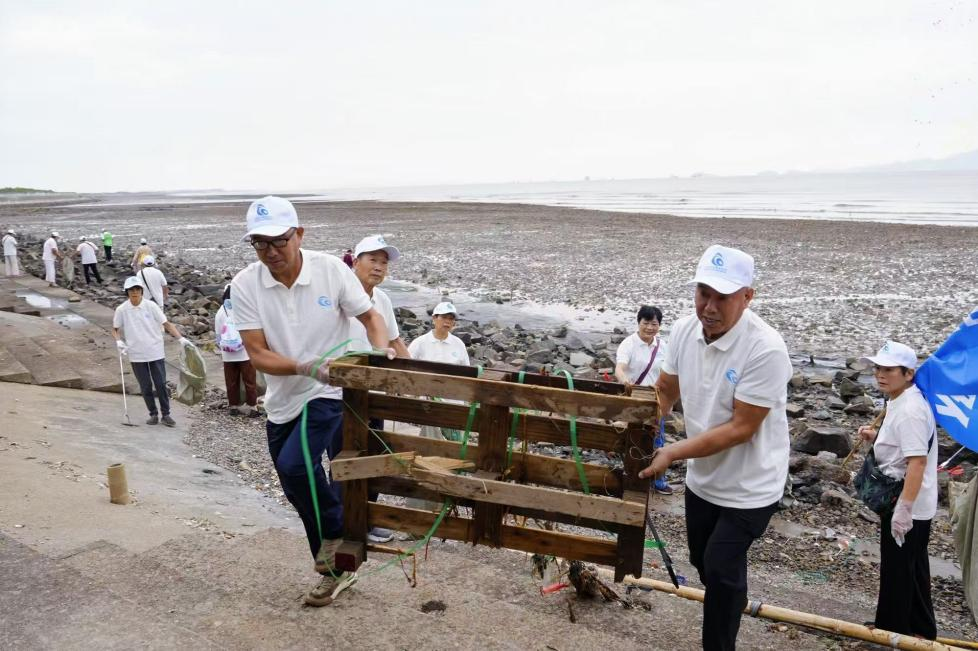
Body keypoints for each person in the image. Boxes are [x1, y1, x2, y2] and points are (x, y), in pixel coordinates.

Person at [231, 196, 392, 607]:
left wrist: (373, 357)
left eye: (279, 241)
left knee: (295, 465)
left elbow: (371, 317)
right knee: (295, 486)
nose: (270, 252)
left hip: (329, 390)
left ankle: (340, 530)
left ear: (299, 234)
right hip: (286, 394)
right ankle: (334, 567)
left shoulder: (331, 270)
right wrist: (306, 367)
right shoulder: (246, 283)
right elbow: (257, 353)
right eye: (259, 244)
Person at [638, 244, 792, 651]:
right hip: (704, 479)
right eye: (703, 292)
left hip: (751, 485)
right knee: (704, 563)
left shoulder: (766, 348)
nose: (709, 306)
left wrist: (671, 451)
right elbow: (665, 390)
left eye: (722, 296)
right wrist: (643, 425)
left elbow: (741, 428)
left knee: (722, 568)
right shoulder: (686, 331)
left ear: (747, 296)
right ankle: (729, 601)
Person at [857, 341, 937, 640]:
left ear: (908, 373)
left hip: (907, 500)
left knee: (898, 570)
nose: (880, 374)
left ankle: (892, 632)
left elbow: (917, 462)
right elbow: (903, 446)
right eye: (878, 368)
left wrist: (904, 510)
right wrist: (877, 437)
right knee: (912, 568)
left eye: (889, 369)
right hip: (904, 497)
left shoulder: (911, 409)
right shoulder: (898, 400)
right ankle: (921, 630)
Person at [349, 234, 411, 544]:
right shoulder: (340, 294)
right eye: (372, 259)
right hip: (341, 394)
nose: (378, 267)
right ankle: (346, 524)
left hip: (375, 394)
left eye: (383, 262)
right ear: (355, 261)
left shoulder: (382, 299)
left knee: (375, 453)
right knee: (345, 458)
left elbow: (395, 341)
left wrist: (416, 379)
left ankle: (367, 520)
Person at [112, 276, 190, 427]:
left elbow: (166, 324)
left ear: (141, 291)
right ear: (127, 292)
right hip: (136, 353)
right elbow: (115, 329)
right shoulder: (122, 309)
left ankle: (166, 414)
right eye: (131, 290)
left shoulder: (151, 306)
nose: (134, 293)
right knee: (145, 385)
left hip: (155, 351)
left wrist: (180, 338)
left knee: (160, 383)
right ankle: (153, 414)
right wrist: (118, 341)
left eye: (137, 289)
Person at [615, 305, 672, 495]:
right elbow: (620, 368)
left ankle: (658, 481)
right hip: (634, 401)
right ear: (638, 322)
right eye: (646, 323)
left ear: (659, 325)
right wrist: (625, 380)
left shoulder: (663, 346)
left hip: (656, 402)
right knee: (631, 440)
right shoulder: (628, 344)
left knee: (658, 441)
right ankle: (631, 478)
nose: (649, 327)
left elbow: (670, 372)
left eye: (654, 323)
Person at [214, 285, 259, 417]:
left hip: (228, 354)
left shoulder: (220, 312)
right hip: (244, 352)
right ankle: (253, 407)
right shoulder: (243, 308)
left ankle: (233, 406)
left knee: (231, 381)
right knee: (250, 381)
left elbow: (218, 335)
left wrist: (224, 345)